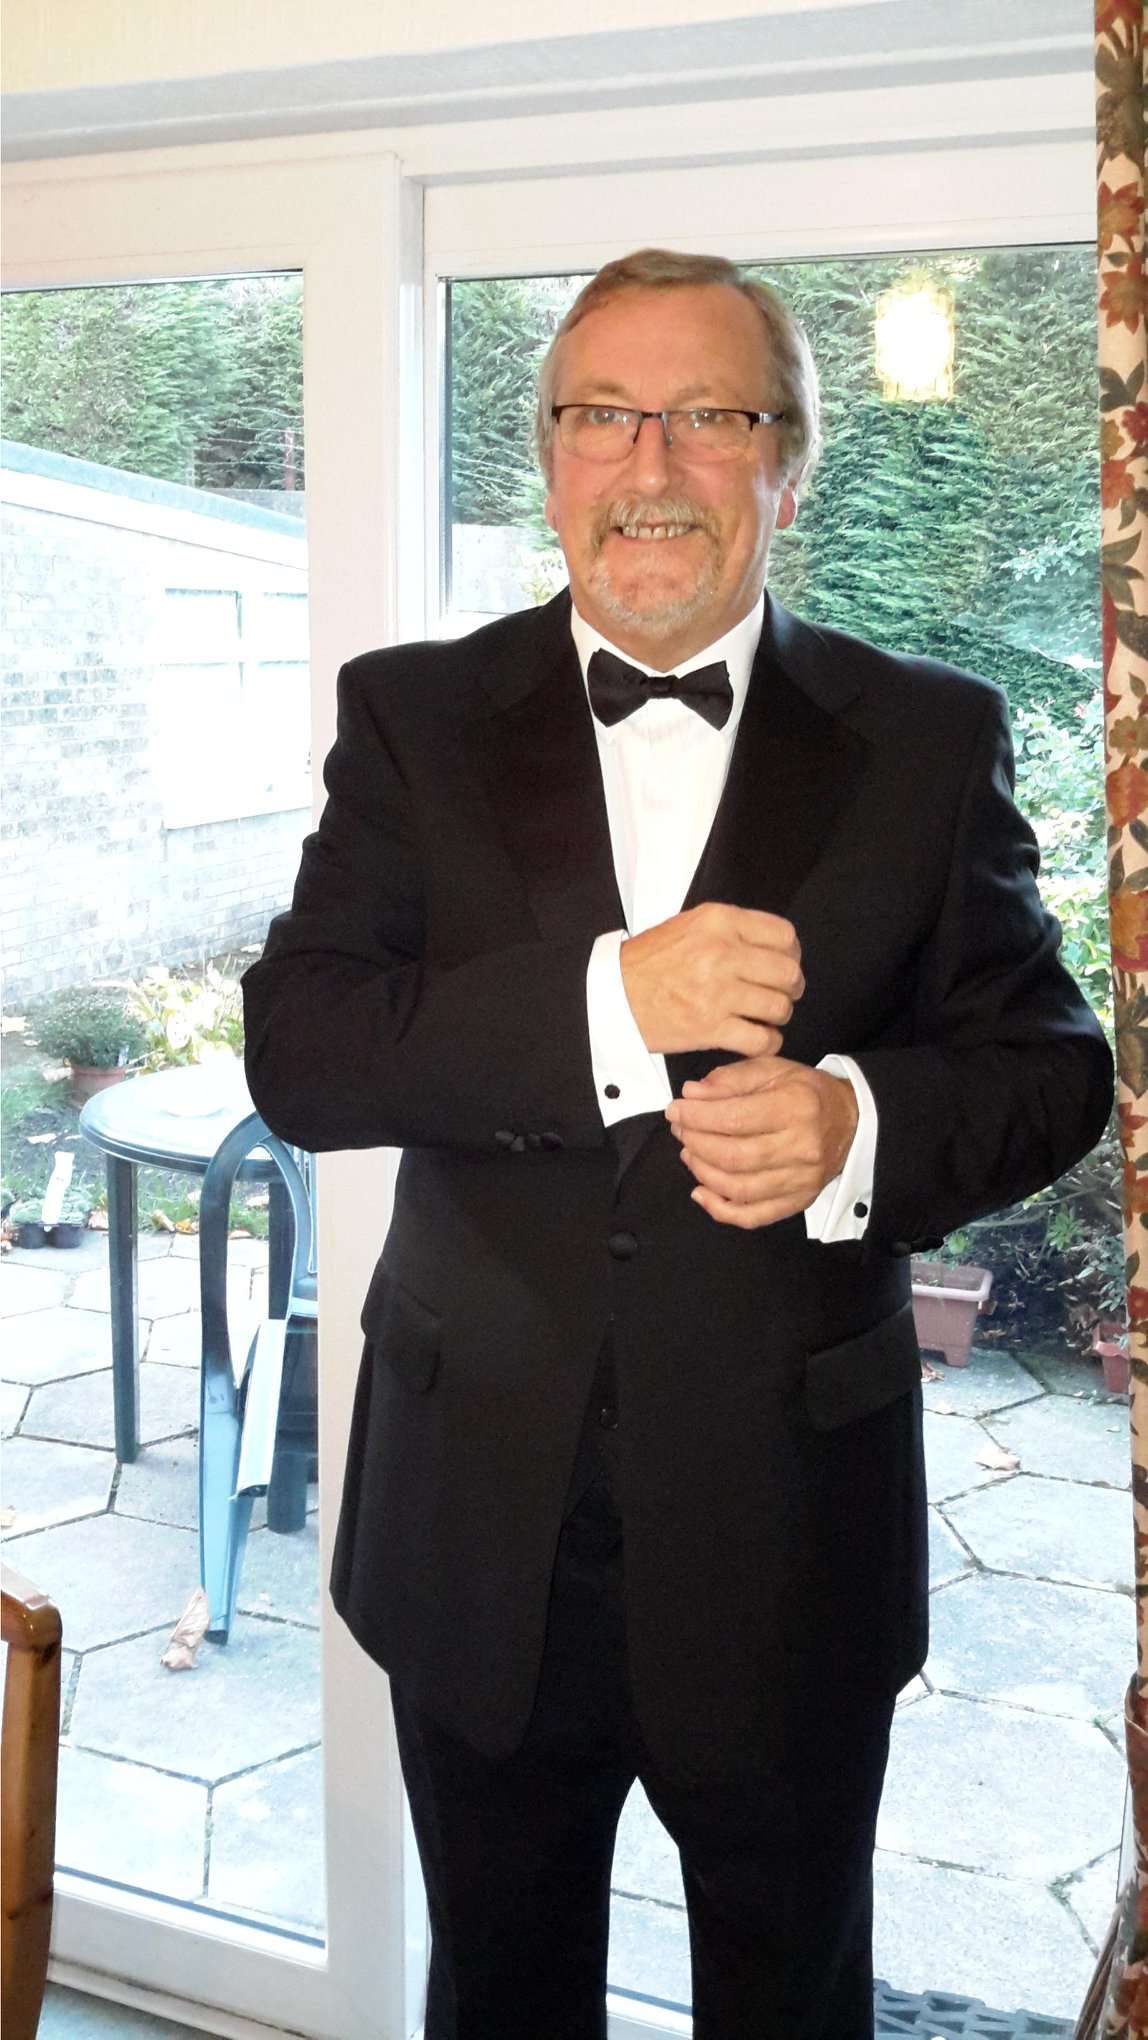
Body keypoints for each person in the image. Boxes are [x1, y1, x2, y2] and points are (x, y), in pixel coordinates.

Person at [242, 248, 1113, 2040]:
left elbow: (1049, 1069)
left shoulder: (926, 738)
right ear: (550, 457)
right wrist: (608, 1004)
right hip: (476, 1522)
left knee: (794, 2002)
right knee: (500, 1999)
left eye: (708, 415)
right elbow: (303, 1052)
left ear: (788, 464)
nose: (648, 465)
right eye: (599, 416)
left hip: (792, 1531)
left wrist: (857, 1122)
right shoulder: (410, 716)